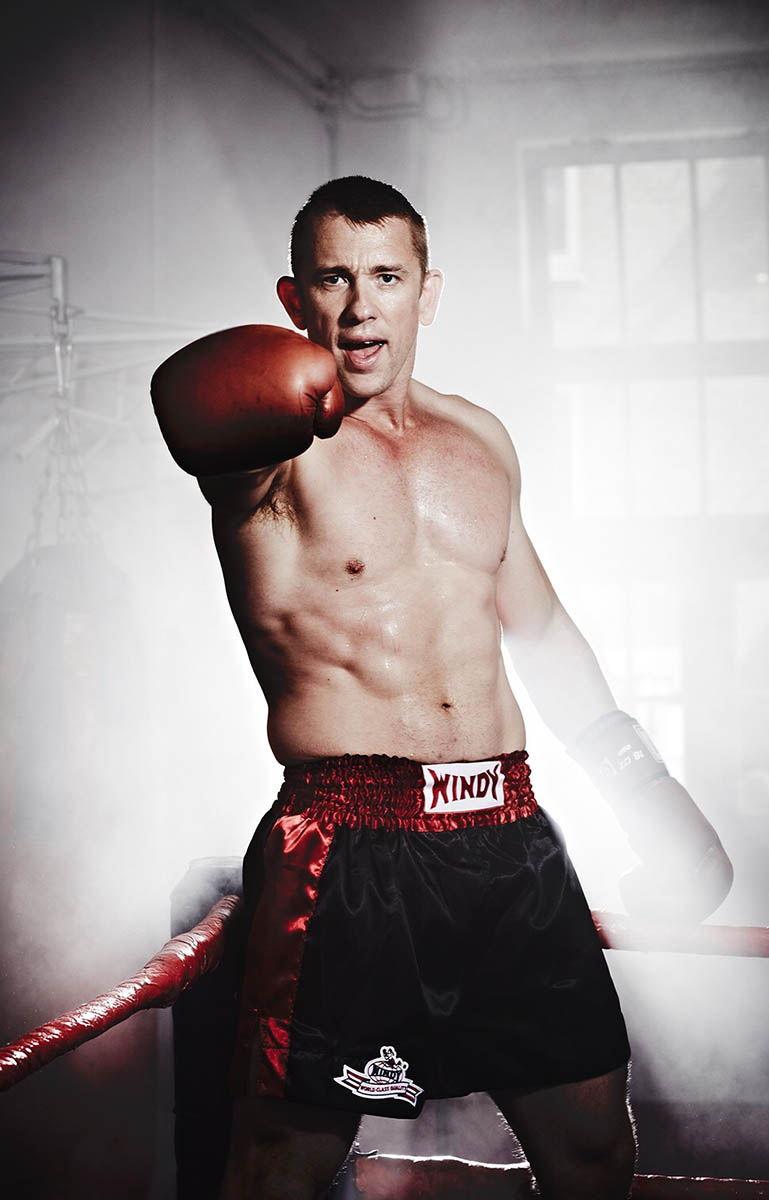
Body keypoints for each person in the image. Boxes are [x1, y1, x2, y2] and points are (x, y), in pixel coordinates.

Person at [151, 176, 733, 1200]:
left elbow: (543, 633)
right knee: (281, 1168)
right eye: (331, 279)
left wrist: (651, 796)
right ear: (293, 300)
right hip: (347, 845)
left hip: (508, 836)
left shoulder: (480, 440)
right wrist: (261, 380)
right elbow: (187, 407)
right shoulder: (270, 454)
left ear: (428, 292)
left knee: (595, 1153)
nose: (359, 307)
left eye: (386, 277)